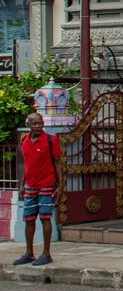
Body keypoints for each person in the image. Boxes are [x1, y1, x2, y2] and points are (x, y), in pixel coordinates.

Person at [14, 111, 61, 267]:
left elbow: (57, 163)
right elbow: (26, 165)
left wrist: (60, 185)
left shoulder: (50, 140)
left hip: (47, 184)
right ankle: (29, 253)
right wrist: (22, 184)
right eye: (34, 123)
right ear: (28, 124)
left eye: (40, 123)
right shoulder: (24, 140)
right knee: (28, 219)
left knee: (45, 218)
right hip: (30, 185)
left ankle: (46, 253)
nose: (38, 126)